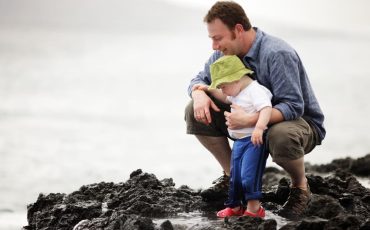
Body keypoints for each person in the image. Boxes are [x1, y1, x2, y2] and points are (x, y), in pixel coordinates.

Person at [184, 1, 325, 219]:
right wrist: (199, 93)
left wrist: (250, 120)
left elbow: (293, 106)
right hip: (252, 122)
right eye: (211, 38)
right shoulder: (224, 54)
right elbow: (199, 79)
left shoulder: (277, 53)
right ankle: (234, 178)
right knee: (194, 109)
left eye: (217, 38)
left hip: (298, 124)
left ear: (238, 30)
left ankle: (300, 187)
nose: (214, 46)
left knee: (281, 135)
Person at [192, 55, 272, 218]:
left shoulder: (255, 91)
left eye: (223, 86)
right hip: (239, 141)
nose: (222, 90)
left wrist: (259, 128)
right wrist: (207, 89)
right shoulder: (237, 91)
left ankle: (254, 209)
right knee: (235, 176)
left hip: (253, 140)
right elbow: (224, 97)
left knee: (249, 175)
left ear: (236, 79)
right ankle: (235, 206)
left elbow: (266, 108)